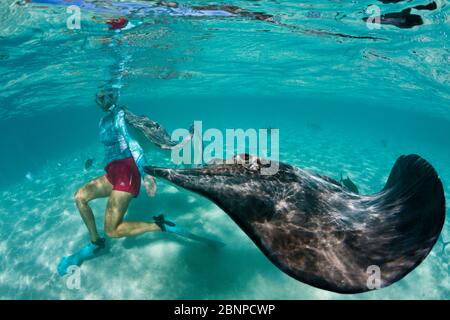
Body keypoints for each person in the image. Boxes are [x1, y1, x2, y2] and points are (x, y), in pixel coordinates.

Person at [74, 90, 168, 250]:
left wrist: (146, 175)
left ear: (116, 95)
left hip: (127, 172)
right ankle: (96, 241)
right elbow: (110, 147)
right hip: (113, 172)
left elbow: (133, 145)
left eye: (109, 96)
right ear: (96, 100)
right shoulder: (103, 121)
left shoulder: (121, 116)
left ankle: (160, 225)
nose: (105, 101)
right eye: (101, 98)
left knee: (112, 231)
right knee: (79, 197)